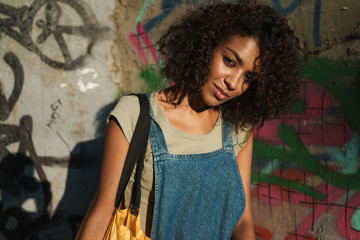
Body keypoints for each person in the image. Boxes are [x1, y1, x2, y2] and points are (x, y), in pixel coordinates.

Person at [80, 1, 300, 239]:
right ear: (205, 45)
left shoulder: (238, 130)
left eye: (248, 77)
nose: (234, 83)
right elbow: (102, 215)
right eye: (229, 61)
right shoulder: (136, 115)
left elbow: (242, 221)